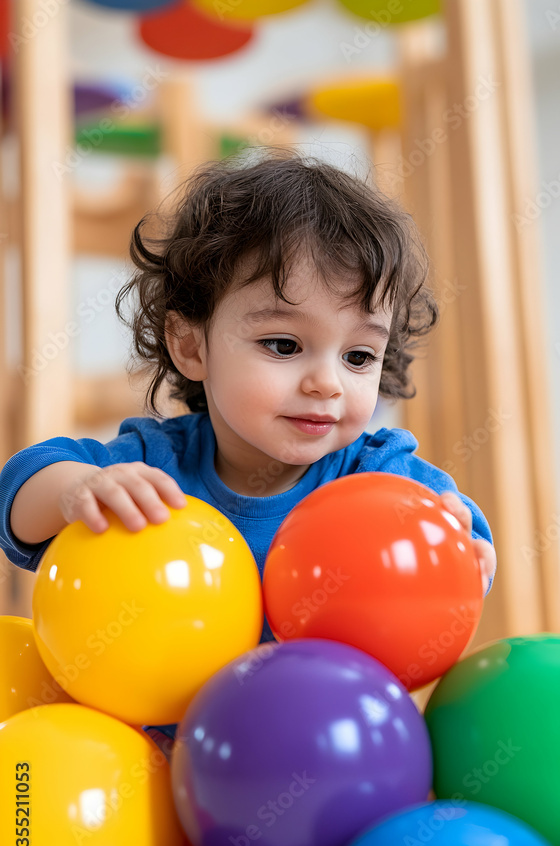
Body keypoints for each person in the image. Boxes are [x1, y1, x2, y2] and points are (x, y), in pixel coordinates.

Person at [0, 146, 497, 750]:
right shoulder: (154, 466)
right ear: (191, 347)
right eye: (285, 345)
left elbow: (450, 523)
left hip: (335, 764)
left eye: (359, 356)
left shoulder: (375, 474)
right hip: (164, 787)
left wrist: (463, 541)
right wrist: (78, 489)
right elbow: (21, 494)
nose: (327, 382)